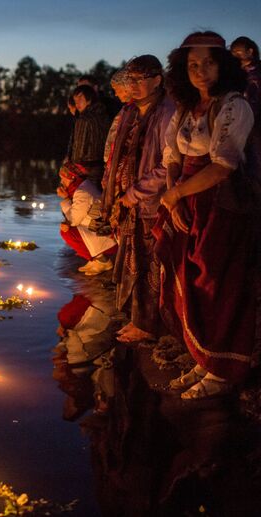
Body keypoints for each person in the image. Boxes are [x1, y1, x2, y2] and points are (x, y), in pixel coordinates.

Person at [156, 31, 255, 399]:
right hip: (185, 202)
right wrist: (174, 198)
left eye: (208, 63)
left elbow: (223, 166)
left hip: (220, 206)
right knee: (189, 281)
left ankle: (224, 370)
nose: (200, 71)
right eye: (192, 64)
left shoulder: (233, 106)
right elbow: (173, 158)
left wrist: (176, 194)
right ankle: (203, 358)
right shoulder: (184, 108)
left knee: (216, 283)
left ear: (223, 64)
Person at [101, 55, 175, 344]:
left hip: (151, 203)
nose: (131, 86)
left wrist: (134, 192)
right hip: (130, 202)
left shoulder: (167, 110)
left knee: (150, 265)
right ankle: (138, 320)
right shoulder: (133, 112)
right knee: (134, 261)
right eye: (129, 79)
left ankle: (149, 325)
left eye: (138, 80)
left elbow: (169, 164)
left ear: (157, 80)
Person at [57, 163, 117, 275]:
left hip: (103, 237)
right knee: (66, 228)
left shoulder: (82, 192)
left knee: (67, 232)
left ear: (72, 178)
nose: (62, 183)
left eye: (63, 179)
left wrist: (65, 199)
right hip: (96, 229)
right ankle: (94, 260)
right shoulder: (83, 186)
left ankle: (102, 261)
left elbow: (73, 220)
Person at [66, 84, 110, 188]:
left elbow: (79, 150)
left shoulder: (83, 119)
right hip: (102, 168)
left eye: (80, 99)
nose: (77, 104)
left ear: (89, 100)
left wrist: (71, 168)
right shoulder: (105, 116)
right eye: (75, 100)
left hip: (86, 169)